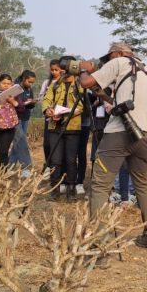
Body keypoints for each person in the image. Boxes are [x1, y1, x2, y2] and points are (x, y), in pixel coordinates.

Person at [81, 42, 147, 252]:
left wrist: (83, 70)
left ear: (116, 54)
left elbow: (86, 82)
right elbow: (127, 103)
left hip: (119, 134)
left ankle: (100, 246)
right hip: (146, 135)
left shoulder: (118, 61)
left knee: (100, 186)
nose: (108, 62)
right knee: (143, 185)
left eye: (108, 58)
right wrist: (105, 96)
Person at [42, 57, 87, 196]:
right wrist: (48, 110)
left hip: (73, 128)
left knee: (71, 160)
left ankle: (71, 189)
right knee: (55, 160)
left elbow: (81, 106)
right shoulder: (55, 85)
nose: (62, 71)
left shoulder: (80, 85)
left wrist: (64, 114)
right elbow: (46, 100)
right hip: (54, 127)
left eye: (65, 68)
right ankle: (54, 190)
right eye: (61, 68)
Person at [37, 59, 64, 176]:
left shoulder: (65, 82)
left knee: (59, 145)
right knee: (47, 144)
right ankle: (48, 165)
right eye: (52, 70)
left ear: (62, 70)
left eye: (56, 70)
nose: (54, 72)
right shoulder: (47, 82)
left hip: (63, 116)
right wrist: (47, 105)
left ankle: (58, 169)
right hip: (49, 117)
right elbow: (40, 98)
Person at [10, 70, 38, 176]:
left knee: (17, 143)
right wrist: (23, 103)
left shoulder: (29, 89)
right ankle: (26, 167)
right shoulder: (14, 88)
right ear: (24, 78)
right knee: (22, 142)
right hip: (15, 118)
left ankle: (9, 166)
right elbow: (12, 103)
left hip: (25, 118)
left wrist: (32, 102)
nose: (30, 84)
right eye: (29, 82)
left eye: (32, 83)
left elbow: (29, 103)